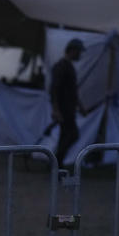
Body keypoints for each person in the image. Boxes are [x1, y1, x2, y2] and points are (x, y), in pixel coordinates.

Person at [49, 38, 85, 167]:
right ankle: (57, 162)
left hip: (69, 108)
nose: (80, 54)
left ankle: (56, 163)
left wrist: (80, 106)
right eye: (79, 51)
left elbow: (72, 90)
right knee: (72, 134)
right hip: (64, 109)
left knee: (66, 136)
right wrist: (56, 109)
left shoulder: (69, 67)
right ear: (72, 50)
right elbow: (54, 89)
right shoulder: (61, 66)